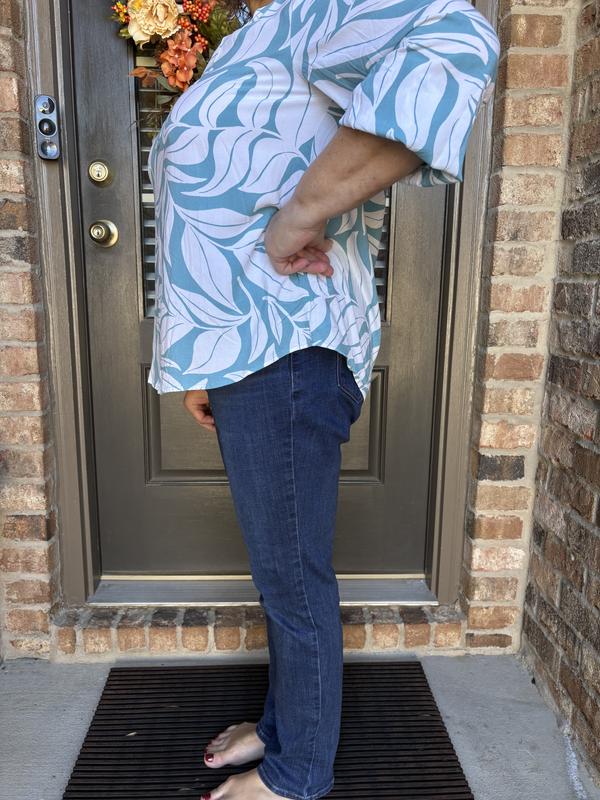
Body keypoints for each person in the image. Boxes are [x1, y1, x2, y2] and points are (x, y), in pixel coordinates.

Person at [147, 0, 500, 797]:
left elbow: (456, 34)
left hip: (288, 347)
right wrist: (203, 358)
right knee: (282, 572)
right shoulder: (263, 31)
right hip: (252, 351)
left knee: (291, 575)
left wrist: (300, 215)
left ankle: (296, 774)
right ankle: (282, 731)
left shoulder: (317, 11)